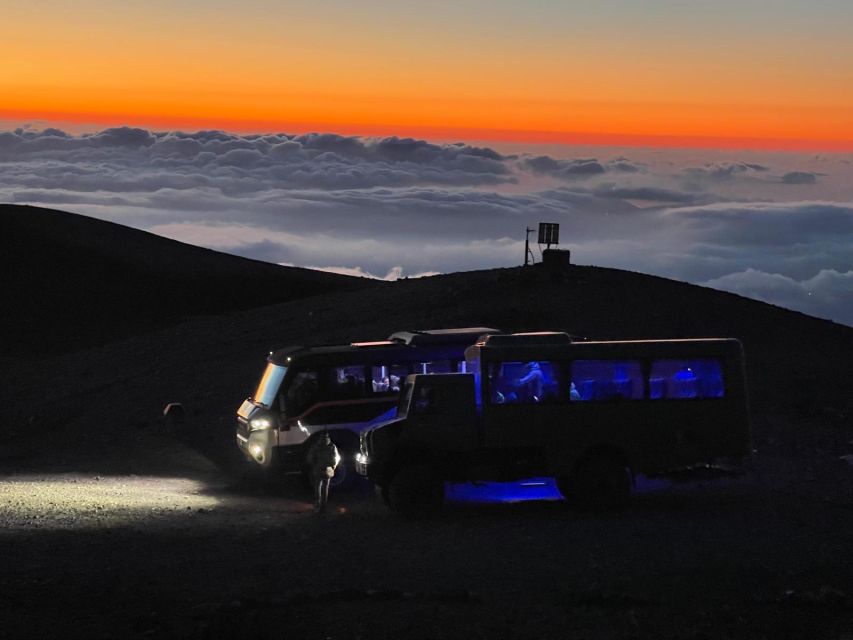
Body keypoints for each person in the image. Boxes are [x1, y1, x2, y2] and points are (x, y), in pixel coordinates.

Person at [306, 431, 340, 513]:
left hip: (318, 469)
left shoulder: (316, 446)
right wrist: (334, 466)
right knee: (325, 488)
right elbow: (336, 457)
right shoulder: (332, 446)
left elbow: (310, 458)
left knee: (317, 487)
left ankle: (317, 503)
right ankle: (323, 506)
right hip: (328, 470)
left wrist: (313, 464)